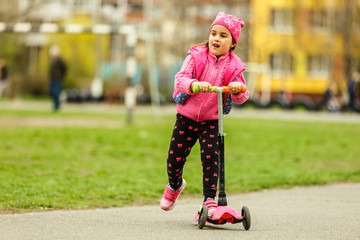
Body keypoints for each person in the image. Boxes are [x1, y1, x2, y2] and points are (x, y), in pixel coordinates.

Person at [160, 12, 249, 218]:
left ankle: (209, 200)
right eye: (213, 33)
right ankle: (174, 185)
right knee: (174, 159)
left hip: (211, 120)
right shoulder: (196, 56)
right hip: (186, 118)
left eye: (223, 36)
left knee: (211, 159)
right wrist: (194, 84)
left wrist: (237, 88)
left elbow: (243, 97)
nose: (216, 39)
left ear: (233, 43)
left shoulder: (234, 66)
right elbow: (179, 80)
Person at [49, 46, 67, 111]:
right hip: (52, 79)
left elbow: (64, 69)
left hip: (58, 79)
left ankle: (56, 106)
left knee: (57, 93)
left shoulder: (60, 62)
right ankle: (57, 104)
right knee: (51, 92)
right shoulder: (51, 61)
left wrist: (61, 76)